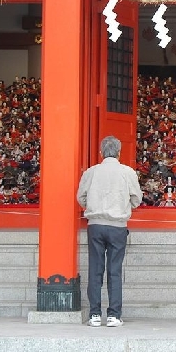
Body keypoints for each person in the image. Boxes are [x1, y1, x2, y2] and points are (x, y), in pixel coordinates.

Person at [77, 135, 142, 328]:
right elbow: (136, 199)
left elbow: (81, 197)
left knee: (95, 270)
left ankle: (95, 314)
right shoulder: (127, 172)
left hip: (95, 225)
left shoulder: (91, 172)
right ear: (119, 152)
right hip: (117, 226)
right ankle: (114, 315)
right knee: (114, 271)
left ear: (101, 152)